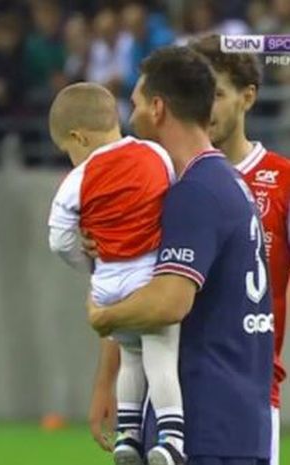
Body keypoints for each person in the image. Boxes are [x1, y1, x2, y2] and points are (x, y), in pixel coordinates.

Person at [88, 46, 274, 465]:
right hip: (236, 422)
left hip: (204, 424)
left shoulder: (196, 192)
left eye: (134, 104)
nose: (129, 117)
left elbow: (169, 303)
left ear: (157, 108)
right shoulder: (224, 180)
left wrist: (104, 315)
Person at [47, 82, 181, 465]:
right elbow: (173, 198)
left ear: (78, 136)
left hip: (108, 281)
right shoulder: (154, 153)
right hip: (148, 274)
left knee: (130, 356)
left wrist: (88, 262)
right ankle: (171, 439)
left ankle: (128, 436)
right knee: (160, 355)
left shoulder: (78, 178)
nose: (71, 158)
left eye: (68, 150)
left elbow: (58, 238)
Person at [190, 34, 290, 465]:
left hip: (250, 393)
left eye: (216, 94)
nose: (204, 107)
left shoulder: (283, 181)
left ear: (247, 97)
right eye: (196, 94)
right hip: (175, 392)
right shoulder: (171, 179)